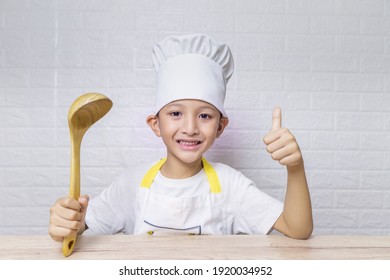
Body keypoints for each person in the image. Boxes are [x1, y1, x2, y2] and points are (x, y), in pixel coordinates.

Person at [49, 34, 313, 241]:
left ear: (220, 127)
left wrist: (295, 167)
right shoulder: (131, 184)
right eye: (175, 113)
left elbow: (297, 228)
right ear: (155, 124)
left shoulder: (231, 185)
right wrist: (67, 223)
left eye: (205, 116)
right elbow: (81, 228)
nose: (190, 128)